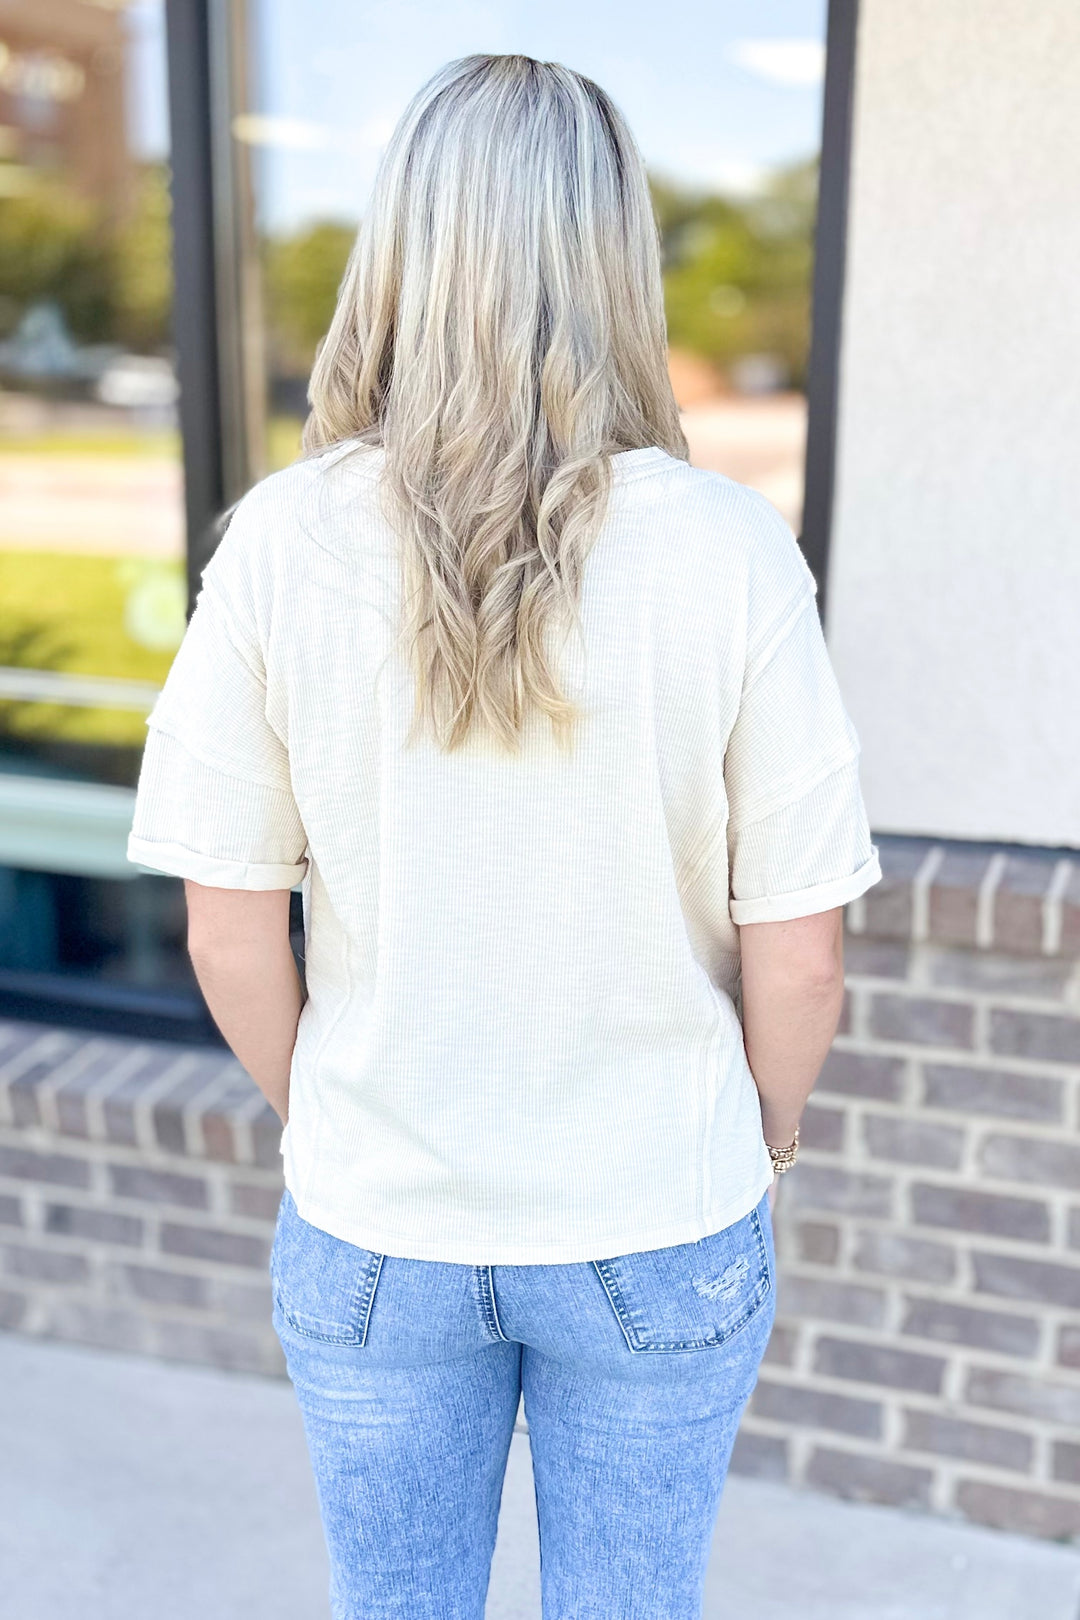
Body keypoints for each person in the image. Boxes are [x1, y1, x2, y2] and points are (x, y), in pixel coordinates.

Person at [127, 52, 880, 1620]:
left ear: (401, 248)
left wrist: (331, 1110)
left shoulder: (276, 544)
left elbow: (224, 930)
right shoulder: (733, 552)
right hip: (659, 1217)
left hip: (376, 1226)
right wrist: (770, 1138)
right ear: (617, 259)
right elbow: (799, 957)